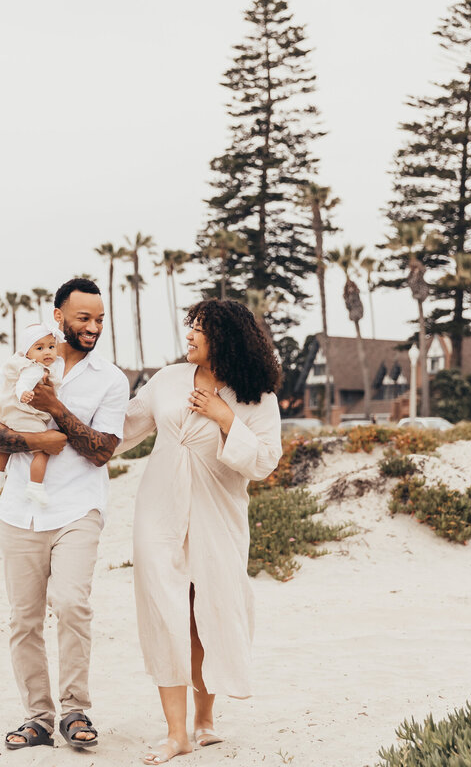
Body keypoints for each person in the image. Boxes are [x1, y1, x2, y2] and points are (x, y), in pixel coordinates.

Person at [117, 298, 282, 765]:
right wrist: (62, 425)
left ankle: (205, 721)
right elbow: (124, 428)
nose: (189, 335)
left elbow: (266, 463)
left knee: (206, 612)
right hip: (159, 510)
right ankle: (176, 735)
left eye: (199, 329)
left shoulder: (255, 397)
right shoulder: (167, 380)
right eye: (189, 326)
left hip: (217, 514)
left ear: (225, 339)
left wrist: (224, 417)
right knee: (164, 614)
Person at [0, 277, 129, 752]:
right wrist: (35, 441)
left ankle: (75, 710)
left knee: (70, 604)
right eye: (83, 318)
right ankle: (38, 718)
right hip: (19, 508)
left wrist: (53, 407)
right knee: (23, 618)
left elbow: (102, 450)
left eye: (100, 318)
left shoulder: (111, 379)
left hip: (77, 508)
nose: (93, 327)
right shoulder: (18, 365)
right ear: (59, 317)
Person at [0, 322, 67, 506]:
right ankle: (35, 486)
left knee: (8, 445)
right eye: (40, 348)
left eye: (51, 347)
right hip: (24, 414)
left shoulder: (35, 366)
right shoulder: (33, 369)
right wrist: (24, 393)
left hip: (11, 413)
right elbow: (23, 383)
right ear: (27, 352)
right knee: (43, 451)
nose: (47, 352)